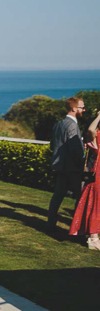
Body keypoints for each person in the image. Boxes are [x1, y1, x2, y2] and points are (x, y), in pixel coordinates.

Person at [47, 97, 86, 232]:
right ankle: (78, 226)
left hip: (61, 167)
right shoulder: (72, 125)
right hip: (73, 168)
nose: (84, 110)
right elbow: (75, 149)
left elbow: (53, 145)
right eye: (82, 107)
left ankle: (51, 222)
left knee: (58, 195)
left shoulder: (58, 124)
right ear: (74, 108)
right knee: (81, 197)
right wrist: (83, 163)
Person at [69, 108, 100, 250]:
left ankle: (90, 235)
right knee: (95, 208)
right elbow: (91, 129)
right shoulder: (95, 137)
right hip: (97, 178)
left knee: (93, 206)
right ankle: (93, 238)